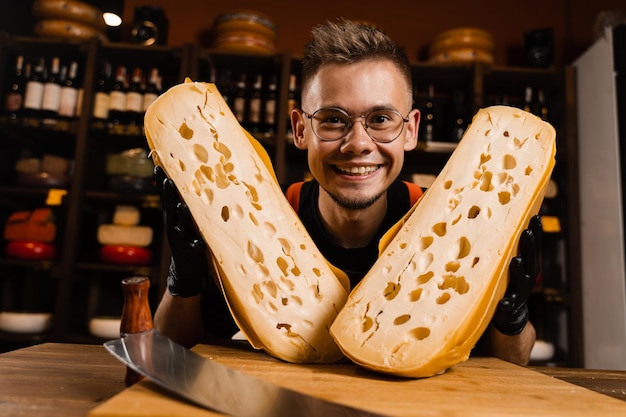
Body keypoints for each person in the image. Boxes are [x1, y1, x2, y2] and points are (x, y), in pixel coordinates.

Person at [153, 18, 538, 366]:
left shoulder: (452, 223)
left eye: (381, 119)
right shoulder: (263, 219)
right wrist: (182, 283)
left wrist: (512, 317)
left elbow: (512, 362)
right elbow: (174, 348)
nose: (358, 143)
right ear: (301, 130)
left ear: (410, 130)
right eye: (333, 120)